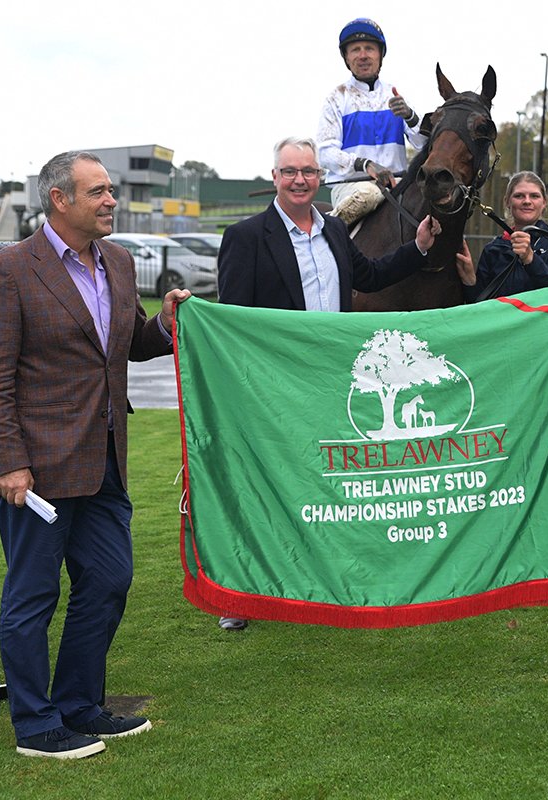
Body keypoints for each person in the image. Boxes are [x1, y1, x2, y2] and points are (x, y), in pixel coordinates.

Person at [0, 151, 191, 758]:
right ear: (60, 200)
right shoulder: (8, 271)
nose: (111, 200)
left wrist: (165, 326)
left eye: (111, 190)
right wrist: (8, 460)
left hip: (105, 462)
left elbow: (125, 346)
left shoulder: (117, 263)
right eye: (98, 191)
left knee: (111, 579)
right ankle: (36, 727)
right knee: (32, 596)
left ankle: (78, 705)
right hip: (36, 471)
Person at [214, 135, 442, 630]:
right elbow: (233, 323)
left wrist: (419, 248)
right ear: (274, 178)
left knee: (325, 481)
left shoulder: (337, 232)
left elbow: (374, 275)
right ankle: (240, 593)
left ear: (320, 178)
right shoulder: (247, 237)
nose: (300, 180)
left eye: (308, 172)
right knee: (261, 485)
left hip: (328, 383)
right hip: (272, 388)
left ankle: (323, 578)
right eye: (290, 172)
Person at [318, 17, 427, 224]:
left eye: (369, 48)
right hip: (353, 187)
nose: (363, 55)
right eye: (355, 50)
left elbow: (423, 143)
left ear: (380, 55)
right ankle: (327, 235)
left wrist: (410, 116)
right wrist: (365, 164)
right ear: (347, 58)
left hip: (397, 186)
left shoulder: (395, 96)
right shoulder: (336, 99)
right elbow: (325, 154)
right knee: (369, 194)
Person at [455, 170, 548, 301]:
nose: (527, 201)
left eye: (534, 196)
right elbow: (481, 307)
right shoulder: (493, 250)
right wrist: (470, 282)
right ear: (507, 202)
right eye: (519, 196)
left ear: (544, 203)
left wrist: (531, 259)